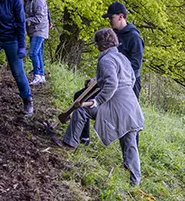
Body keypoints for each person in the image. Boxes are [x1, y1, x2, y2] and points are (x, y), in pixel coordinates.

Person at [58, 28, 144, 185]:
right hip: (132, 106)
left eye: (97, 44)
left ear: (100, 45)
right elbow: (131, 79)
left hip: (116, 106)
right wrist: (98, 82)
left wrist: (97, 101)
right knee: (130, 142)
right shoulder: (122, 58)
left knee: (82, 110)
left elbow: (112, 83)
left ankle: (69, 144)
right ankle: (135, 181)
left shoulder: (106, 60)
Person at [75, 1, 144, 144]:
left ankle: (130, 159)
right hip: (111, 80)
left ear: (120, 17)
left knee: (128, 120)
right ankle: (83, 137)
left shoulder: (134, 37)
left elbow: (135, 65)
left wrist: (114, 78)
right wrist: (99, 78)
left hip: (128, 84)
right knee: (80, 96)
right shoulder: (112, 35)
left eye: (111, 18)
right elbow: (108, 62)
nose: (109, 21)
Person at [24, 0, 50, 86]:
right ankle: (41, 75)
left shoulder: (39, 0)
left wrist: (25, 20)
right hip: (34, 30)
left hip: (39, 30)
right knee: (39, 53)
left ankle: (37, 74)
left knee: (33, 52)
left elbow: (39, 17)